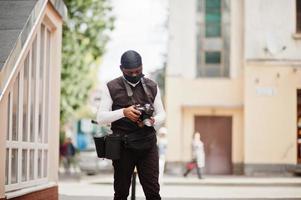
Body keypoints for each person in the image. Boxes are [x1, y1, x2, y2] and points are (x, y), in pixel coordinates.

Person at [97, 50, 166, 200]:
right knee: (121, 193)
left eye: (138, 71)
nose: (134, 75)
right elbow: (101, 118)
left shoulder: (152, 86)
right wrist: (124, 112)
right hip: (123, 148)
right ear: (121, 68)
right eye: (130, 72)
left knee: (153, 192)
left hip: (147, 146)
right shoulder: (111, 87)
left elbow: (162, 114)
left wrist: (153, 120)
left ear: (142, 66)